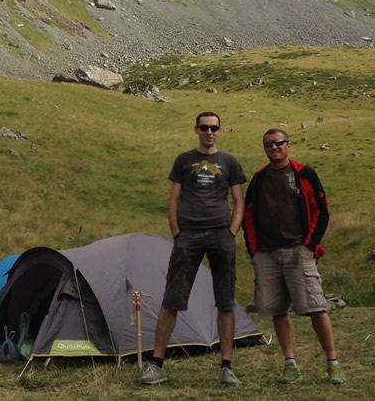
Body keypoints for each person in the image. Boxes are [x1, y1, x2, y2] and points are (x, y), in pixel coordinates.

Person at [141, 111, 246, 387]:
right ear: (196, 129)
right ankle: (156, 365)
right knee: (172, 297)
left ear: (220, 131)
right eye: (204, 127)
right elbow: (173, 198)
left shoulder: (230, 161)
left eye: (214, 127)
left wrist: (231, 231)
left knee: (225, 299)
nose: (209, 131)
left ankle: (226, 366)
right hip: (188, 235)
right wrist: (177, 232)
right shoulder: (184, 160)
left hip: (221, 235)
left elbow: (239, 200)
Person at [242, 128, 345, 385]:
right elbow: (248, 216)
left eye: (279, 142)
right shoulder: (259, 179)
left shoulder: (304, 173)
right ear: (264, 148)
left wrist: (309, 246)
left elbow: (322, 211)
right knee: (277, 309)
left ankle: (332, 363)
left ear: (288, 145)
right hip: (267, 254)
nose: (274, 147)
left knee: (316, 307)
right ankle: (290, 363)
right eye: (269, 144)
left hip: (299, 250)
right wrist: (254, 251)